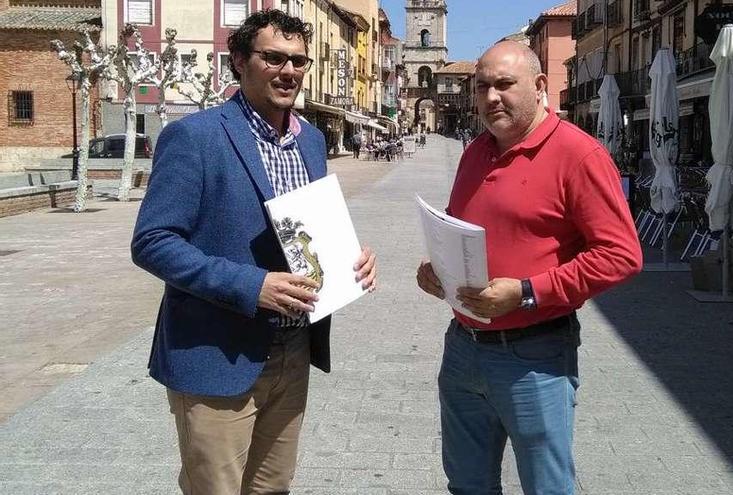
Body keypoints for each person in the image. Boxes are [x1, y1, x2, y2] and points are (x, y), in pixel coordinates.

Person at [131, 10, 377, 495]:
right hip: (216, 355)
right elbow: (152, 242)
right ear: (239, 61)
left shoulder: (311, 140)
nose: (289, 71)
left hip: (293, 348)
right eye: (273, 58)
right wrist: (252, 286)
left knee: (272, 488)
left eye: (299, 61)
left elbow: (305, 229)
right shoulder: (194, 137)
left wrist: (349, 259)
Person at [415, 41, 641, 494]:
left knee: (546, 487)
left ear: (539, 87)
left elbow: (621, 256)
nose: (491, 97)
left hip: (533, 354)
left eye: (504, 85)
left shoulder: (579, 154)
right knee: (466, 484)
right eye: (482, 88)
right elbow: (461, 221)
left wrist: (526, 291)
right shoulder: (476, 150)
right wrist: (436, 266)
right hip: (462, 346)